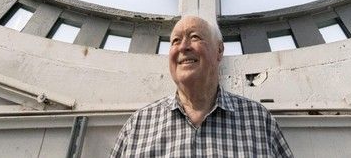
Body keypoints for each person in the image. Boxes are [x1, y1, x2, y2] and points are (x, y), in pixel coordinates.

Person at [110, 15, 294, 157]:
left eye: (194, 37)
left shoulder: (259, 120)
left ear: (219, 51)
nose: (183, 47)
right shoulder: (138, 125)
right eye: (175, 41)